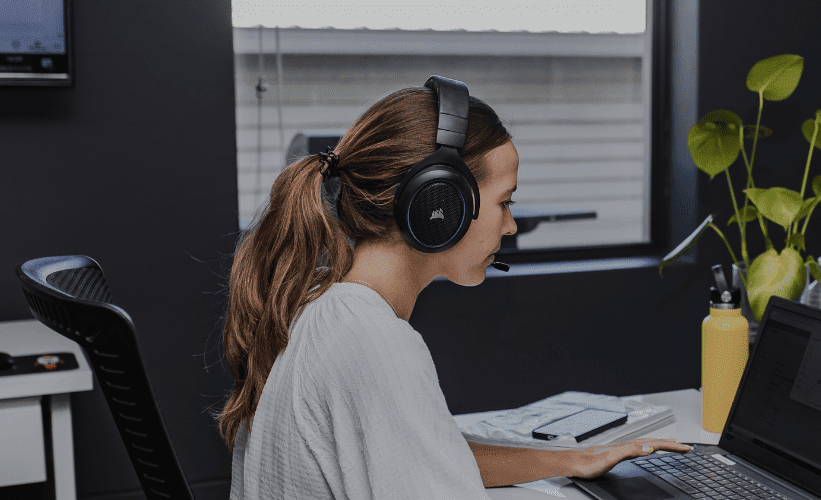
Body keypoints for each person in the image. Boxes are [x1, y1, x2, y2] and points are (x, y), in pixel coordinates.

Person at [219, 84, 690, 499]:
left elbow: (416, 452)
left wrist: (572, 461)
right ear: (439, 204)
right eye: (504, 202)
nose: (510, 225)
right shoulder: (372, 342)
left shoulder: (319, 305)